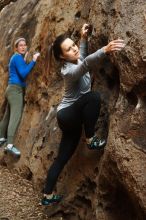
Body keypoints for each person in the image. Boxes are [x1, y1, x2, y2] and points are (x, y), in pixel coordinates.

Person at [41, 24, 125, 205]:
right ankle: (90, 138)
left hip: (70, 119)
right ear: (62, 57)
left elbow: (82, 57)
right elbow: (86, 64)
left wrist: (83, 38)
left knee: (62, 158)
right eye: (69, 49)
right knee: (93, 97)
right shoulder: (68, 71)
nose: (74, 49)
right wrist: (105, 49)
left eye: (74, 45)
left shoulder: (75, 60)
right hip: (67, 114)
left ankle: (47, 196)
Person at [0, 37, 40, 157]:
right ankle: (10, 145)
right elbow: (23, 73)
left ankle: (1, 137)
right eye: (20, 45)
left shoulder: (16, 58)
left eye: (25, 45)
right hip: (15, 91)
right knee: (15, 117)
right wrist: (33, 60)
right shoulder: (17, 57)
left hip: (11, 89)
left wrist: (25, 58)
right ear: (16, 48)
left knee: (7, 116)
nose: (23, 47)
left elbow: (19, 70)